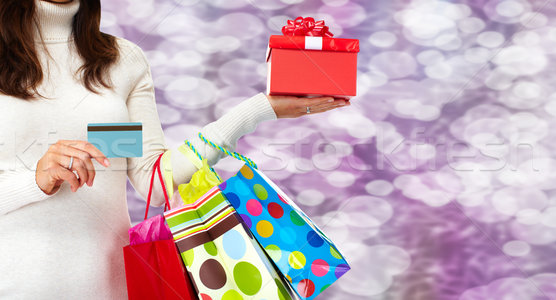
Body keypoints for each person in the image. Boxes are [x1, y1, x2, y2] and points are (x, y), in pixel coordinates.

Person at [0, 0, 350, 298]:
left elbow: (152, 179)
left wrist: (256, 110)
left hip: (110, 286)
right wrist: (35, 180)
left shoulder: (116, 62)